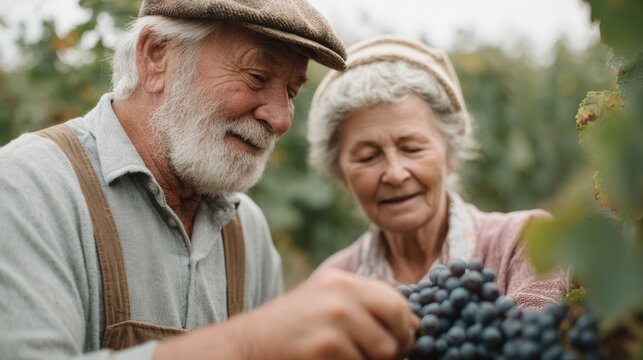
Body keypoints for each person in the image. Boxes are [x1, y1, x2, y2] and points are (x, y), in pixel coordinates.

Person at [0, 2, 419, 359]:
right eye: (257, 77)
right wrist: (253, 344)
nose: (280, 117)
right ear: (156, 57)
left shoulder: (246, 231)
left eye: (291, 92)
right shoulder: (30, 186)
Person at [307, 36, 567, 309]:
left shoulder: (525, 242)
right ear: (341, 175)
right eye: (367, 157)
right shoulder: (328, 285)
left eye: (412, 148)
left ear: (450, 154)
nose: (395, 174)